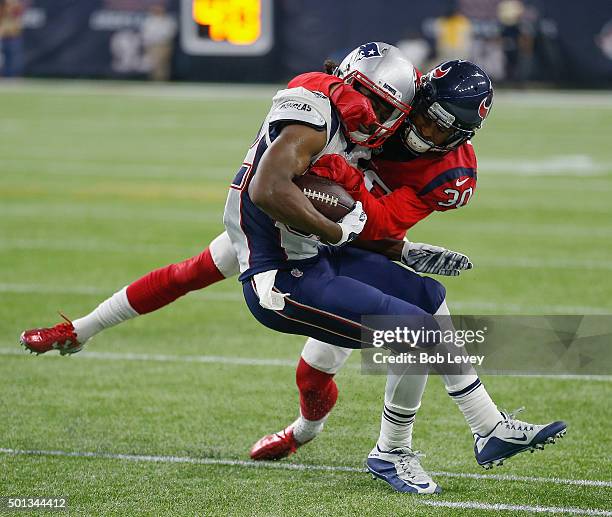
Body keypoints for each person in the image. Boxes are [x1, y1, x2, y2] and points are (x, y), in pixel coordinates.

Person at [20, 51, 565, 493]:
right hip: (280, 272)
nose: (387, 125)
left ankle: (457, 432)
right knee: (405, 337)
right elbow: (252, 209)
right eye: (383, 109)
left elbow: (368, 220)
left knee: (428, 300)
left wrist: (396, 248)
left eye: (395, 113)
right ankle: (407, 446)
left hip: (322, 251)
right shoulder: (315, 116)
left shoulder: (384, 135)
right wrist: (83, 328)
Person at [141, 4, 177, 81]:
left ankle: (162, 79)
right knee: (152, 63)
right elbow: (146, 33)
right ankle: (154, 79)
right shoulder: (149, 20)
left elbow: (169, 33)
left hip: (163, 44)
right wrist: (146, 44)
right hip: (151, 45)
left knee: (162, 63)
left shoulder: (167, 20)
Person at [0, 0, 25, 78]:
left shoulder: (17, 6)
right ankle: (3, 75)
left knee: (14, 57)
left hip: (14, 35)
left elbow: (18, 17)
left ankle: (14, 76)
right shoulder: (2, 7)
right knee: (3, 58)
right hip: (3, 35)